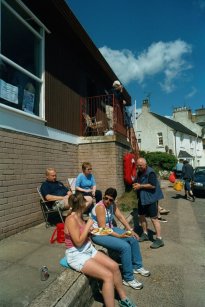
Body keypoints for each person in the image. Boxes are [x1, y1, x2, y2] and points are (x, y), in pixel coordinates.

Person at [64, 194, 136, 307]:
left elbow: (84, 234)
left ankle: (123, 298)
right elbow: (77, 242)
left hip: (88, 248)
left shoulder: (80, 215)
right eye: (86, 202)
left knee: (115, 267)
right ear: (82, 204)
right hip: (77, 254)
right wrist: (88, 226)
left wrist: (91, 230)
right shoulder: (71, 219)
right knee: (107, 276)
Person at [90, 187, 150, 290]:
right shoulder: (100, 207)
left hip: (110, 229)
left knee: (133, 238)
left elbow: (121, 217)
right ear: (103, 196)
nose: (107, 201)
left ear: (114, 200)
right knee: (125, 247)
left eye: (110, 199)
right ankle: (128, 278)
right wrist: (119, 236)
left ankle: (137, 266)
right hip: (99, 234)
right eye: (105, 198)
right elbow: (103, 229)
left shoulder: (112, 205)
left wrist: (130, 230)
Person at [133, 158, 164, 249]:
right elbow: (138, 181)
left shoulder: (151, 172)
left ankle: (159, 239)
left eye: (141, 165)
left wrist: (140, 186)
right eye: (138, 165)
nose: (139, 167)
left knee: (154, 218)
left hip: (150, 198)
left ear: (145, 164)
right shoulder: (139, 172)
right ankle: (145, 233)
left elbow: (153, 185)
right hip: (142, 198)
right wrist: (136, 184)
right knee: (141, 216)